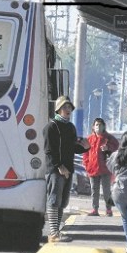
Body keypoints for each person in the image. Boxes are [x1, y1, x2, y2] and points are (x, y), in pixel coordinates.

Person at [44, 96, 89, 243]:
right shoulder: (51, 127)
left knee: (62, 202)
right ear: (58, 109)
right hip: (55, 170)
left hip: (68, 170)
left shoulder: (70, 127)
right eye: (65, 107)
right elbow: (49, 151)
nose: (68, 109)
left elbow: (73, 148)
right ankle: (53, 233)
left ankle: (56, 232)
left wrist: (85, 147)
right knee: (54, 201)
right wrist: (59, 166)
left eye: (69, 107)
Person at [82, 117, 119, 217]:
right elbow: (85, 154)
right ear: (93, 127)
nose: (98, 126)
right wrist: (87, 165)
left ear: (104, 127)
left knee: (106, 190)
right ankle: (95, 209)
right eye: (97, 125)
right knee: (94, 190)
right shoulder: (89, 139)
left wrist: (108, 148)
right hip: (93, 169)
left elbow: (116, 147)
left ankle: (108, 209)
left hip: (105, 169)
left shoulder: (109, 138)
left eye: (100, 125)